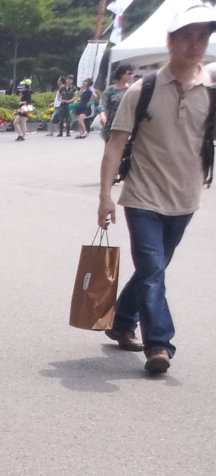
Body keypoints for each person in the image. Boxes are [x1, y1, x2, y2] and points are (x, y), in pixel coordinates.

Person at [97, 1, 216, 376]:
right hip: (142, 196)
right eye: (186, 36)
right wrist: (105, 196)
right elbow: (116, 143)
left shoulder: (212, 91)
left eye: (203, 36)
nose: (194, 43)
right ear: (170, 40)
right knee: (152, 270)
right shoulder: (142, 89)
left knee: (154, 268)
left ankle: (121, 321)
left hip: (185, 198)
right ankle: (159, 343)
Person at [101, 63, 135, 141]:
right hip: (112, 124)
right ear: (121, 74)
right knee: (110, 149)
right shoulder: (110, 90)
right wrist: (103, 116)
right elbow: (103, 105)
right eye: (129, 73)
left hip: (127, 124)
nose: (131, 76)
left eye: (132, 74)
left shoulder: (132, 90)